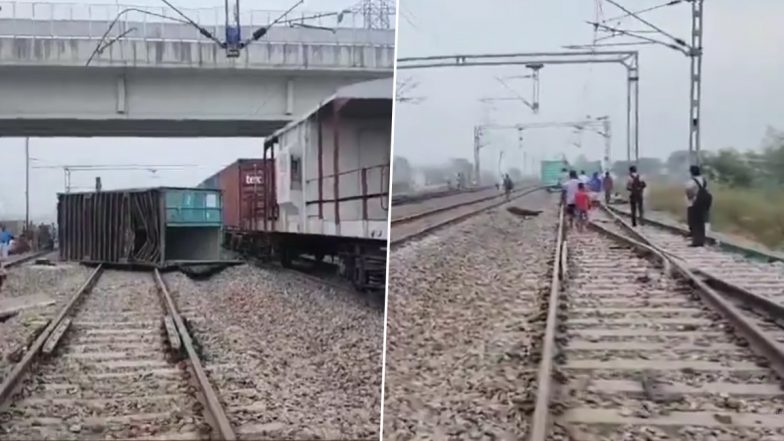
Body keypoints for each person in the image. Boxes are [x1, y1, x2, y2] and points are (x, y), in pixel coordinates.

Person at [685, 165, 712, 247]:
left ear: (691, 172)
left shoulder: (692, 181)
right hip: (703, 203)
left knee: (694, 222)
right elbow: (707, 190)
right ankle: (701, 240)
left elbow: (688, 191)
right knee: (701, 222)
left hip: (694, 203)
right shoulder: (704, 180)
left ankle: (696, 241)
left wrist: (691, 199)